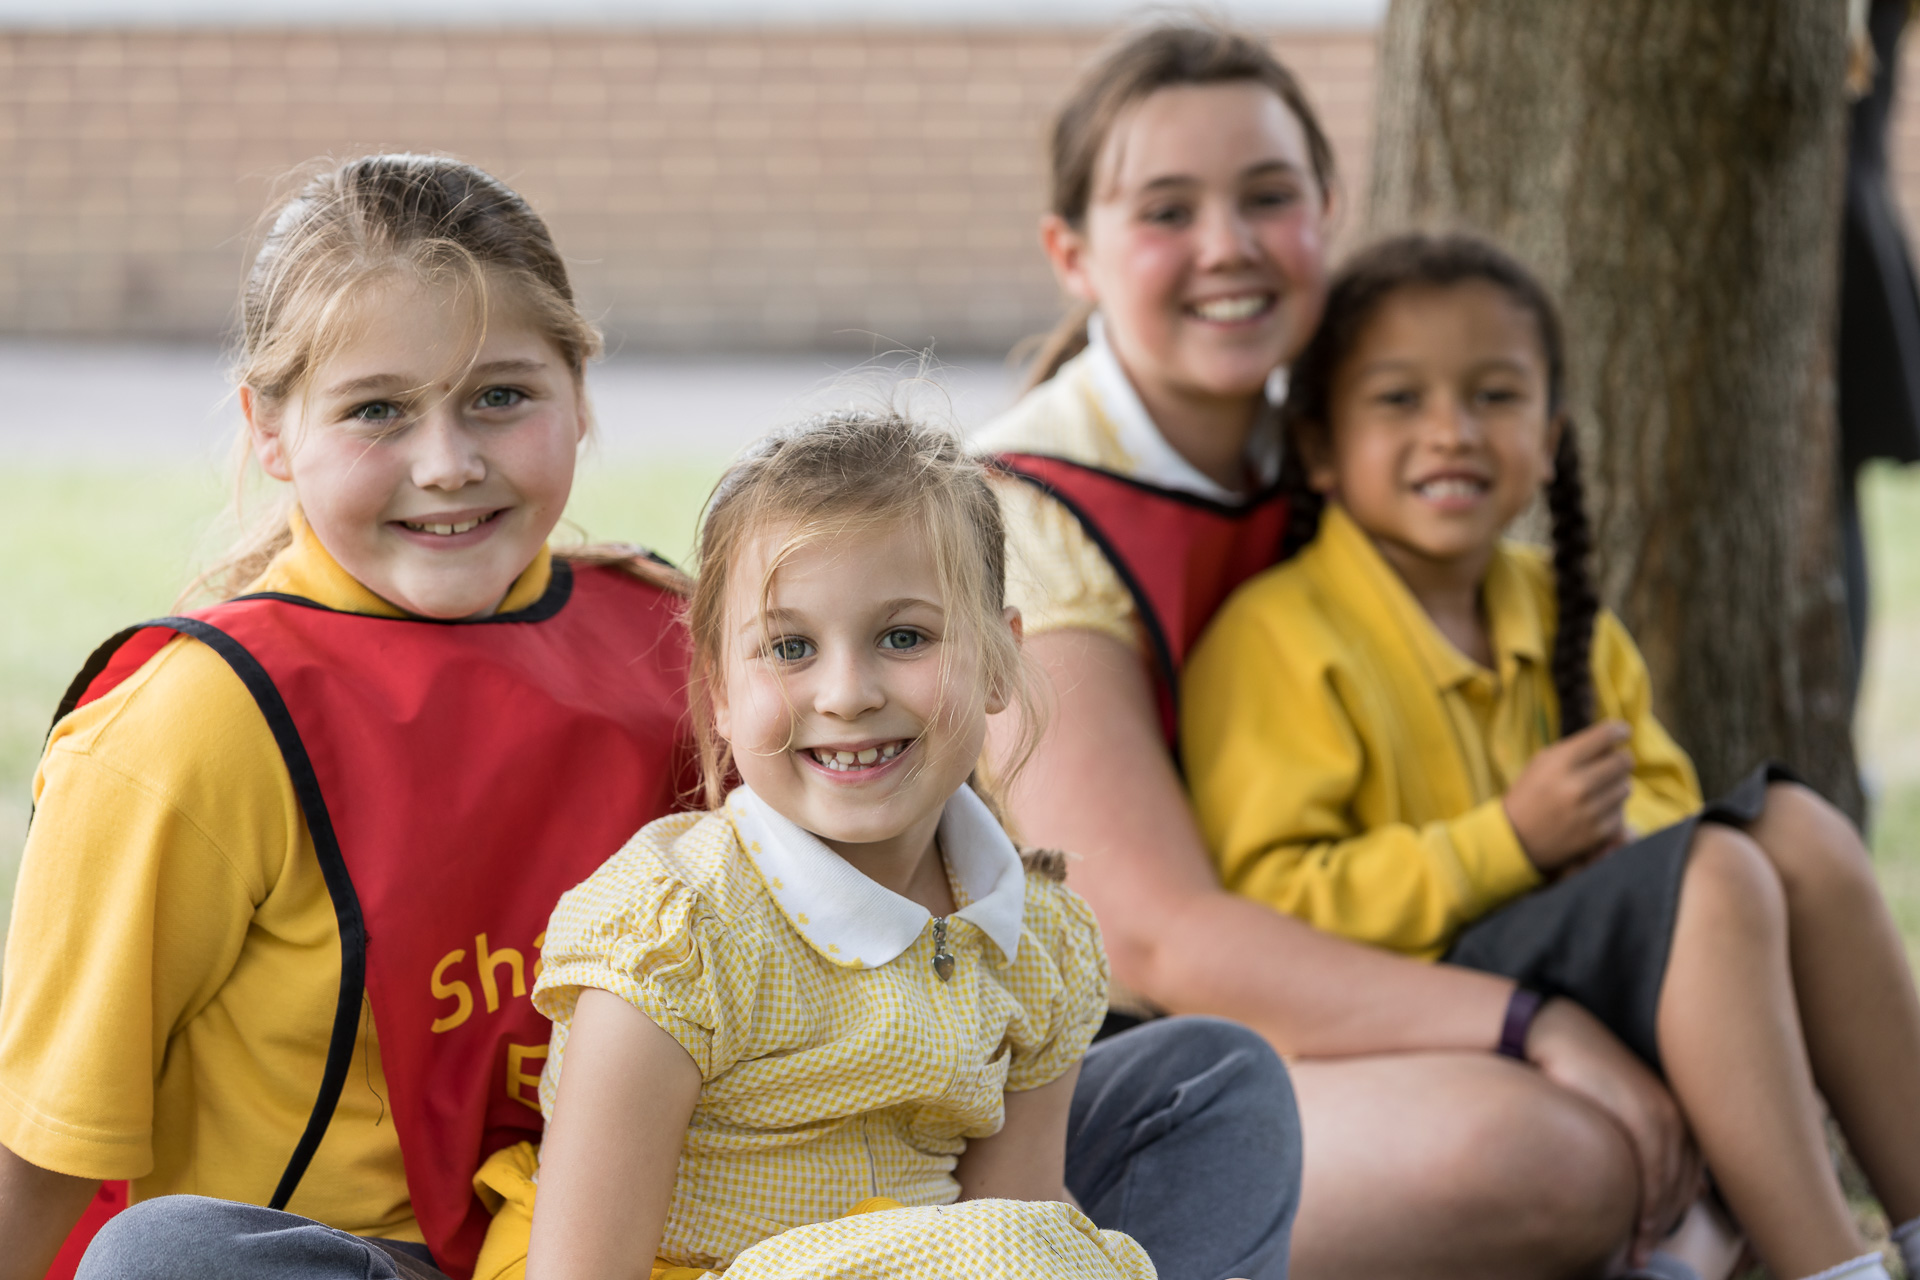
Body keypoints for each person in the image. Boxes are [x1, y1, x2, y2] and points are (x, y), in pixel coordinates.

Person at [977, 21, 1658, 1278]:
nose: (1227, 244)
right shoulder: (1030, 511)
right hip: (1089, 1080)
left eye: (1269, 196)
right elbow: (1155, 937)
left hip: (1313, 978)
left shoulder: (1355, 445)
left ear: (1329, 212)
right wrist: (1527, 1017)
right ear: (1071, 254)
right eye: (1167, 209)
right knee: (1550, 1154)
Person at [0, 154, 698, 1280]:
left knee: (1094, 1081)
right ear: (270, 430)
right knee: (167, 1256)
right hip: (362, 1259)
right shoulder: (194, 721)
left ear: (581, 391)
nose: (449, 462)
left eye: (502, 396)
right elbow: (40, 1151)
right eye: (378, 410)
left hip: (669, 1237)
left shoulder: (681, 637)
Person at [1183, 231, 1920, 1280]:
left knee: (1795, 827)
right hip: (1408, 999)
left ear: (1551, 438)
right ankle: (1828, 1269)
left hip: (1578, 962)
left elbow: (1664, 789)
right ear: (1319, 446)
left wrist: (1621, 846)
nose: (1452, 431)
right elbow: (1277, 896)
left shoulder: (1555, 606)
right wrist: (1511, 840)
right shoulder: (1279, 637)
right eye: (1399, 399)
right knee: (1713, 874)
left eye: (1495, 396)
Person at [467, 413, 1301, 1280]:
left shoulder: (1034, 941)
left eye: (904, 637)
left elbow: (1017, 1213)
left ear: (998, 665)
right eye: (790, 648)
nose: (847, 693)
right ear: (718, 690)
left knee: (1214, 1082)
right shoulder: (681, 930)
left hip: (939, 1261)